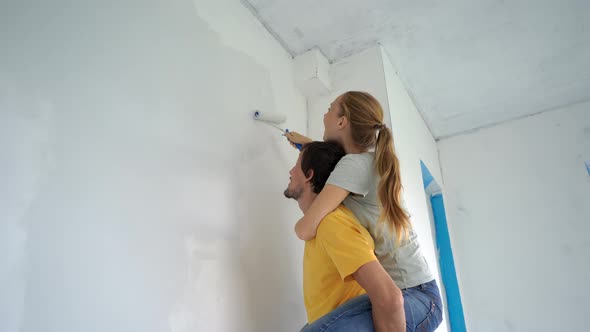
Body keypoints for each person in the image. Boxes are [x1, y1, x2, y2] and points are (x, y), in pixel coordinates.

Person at [285, 91, 443, 332]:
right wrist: (307, 145)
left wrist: (299, 223)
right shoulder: (365, 163)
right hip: (413, 292)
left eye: (329, 108)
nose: (324, 115)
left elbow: (306, 228)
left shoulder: (353, 166)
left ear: (342, 121)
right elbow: (334, 163)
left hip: (415, 296)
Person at [284, 141, 405, 332]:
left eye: (297, 164)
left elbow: (389, 297)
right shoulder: (321, 224)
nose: (290, 170)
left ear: (309, 175)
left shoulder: (332, 224)